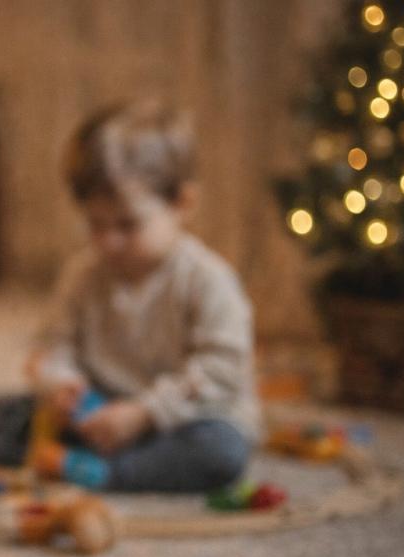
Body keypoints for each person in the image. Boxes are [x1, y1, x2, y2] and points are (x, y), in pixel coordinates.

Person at [26, 100, 260, 492]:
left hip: (182, 419)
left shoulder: (207, 279)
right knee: (11, 414)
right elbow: (52, 345)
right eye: (95, 224)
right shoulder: (82, 274)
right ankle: (83, 457)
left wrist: (145, 413)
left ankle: (108, 473)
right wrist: (61, 384)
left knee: (222, 451)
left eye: (127, 225)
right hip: (102, 415)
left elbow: (222, 369)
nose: (108, 241)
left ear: (182, 203)